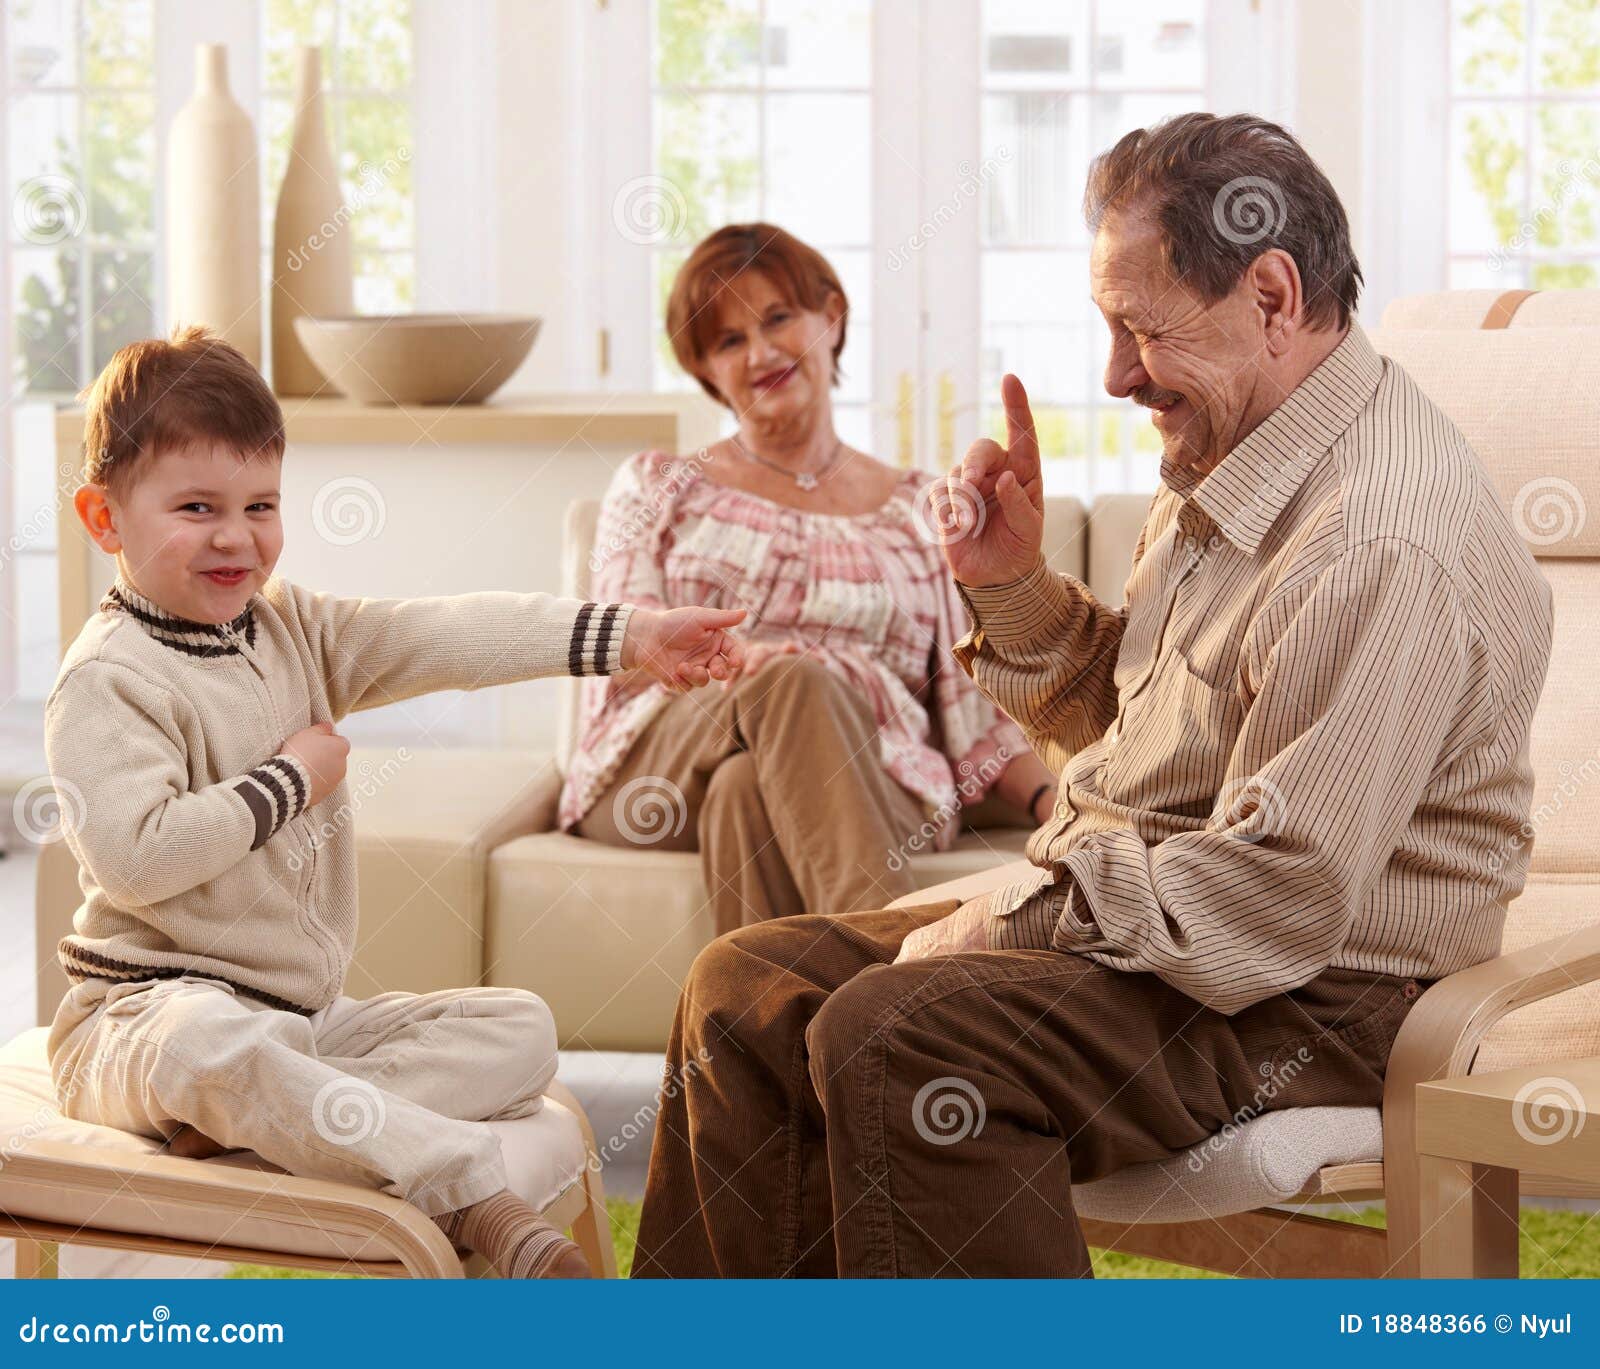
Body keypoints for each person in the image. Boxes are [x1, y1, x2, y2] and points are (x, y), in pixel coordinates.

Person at [632, 112, 1554, 1278]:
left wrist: (1007, 916)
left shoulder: (1375, 541)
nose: (1116, 373)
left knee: (902, 1038)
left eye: (1140, 329)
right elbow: (1152, 736)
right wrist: (1012, 587)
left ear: (1270, 295)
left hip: (1319, 989)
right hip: (1174, 927)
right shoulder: (1239, 444)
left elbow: (1275, 899)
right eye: (1105, 326)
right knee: (745, 989)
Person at [44, 326, 743, 1279]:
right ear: (103, 518)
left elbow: (445, 634)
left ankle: (266, 1113)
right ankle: (472, 1200)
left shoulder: (291, 624)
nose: (236, 535)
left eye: (260, 505)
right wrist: (291, 780)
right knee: (207, 1041)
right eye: (196, 506)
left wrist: (632, 634)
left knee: (520, 1028)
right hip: (136, 1022)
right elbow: (139, 857)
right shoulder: (106, 682)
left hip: (302, 1023)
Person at [561, 222, 1056, 933]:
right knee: (793, 683)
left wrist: (1056, 802)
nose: (759, 353)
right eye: (729, 341)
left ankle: (755, 1046)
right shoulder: (659, 487)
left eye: (777, 319)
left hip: (872, 775)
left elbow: (972, 717)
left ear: (831, 317)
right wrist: (747, 665)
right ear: (707, 372)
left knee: (746, 788)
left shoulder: (918, 511)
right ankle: (895, 1003)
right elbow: (627, 641)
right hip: (660, 759)